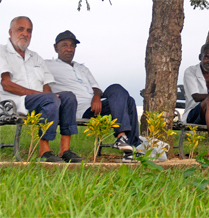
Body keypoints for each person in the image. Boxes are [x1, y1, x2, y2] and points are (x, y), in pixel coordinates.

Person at [44, 30, 140, 163]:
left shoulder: (81, 67)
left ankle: (124, 141)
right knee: (129, 101)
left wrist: (96, 97)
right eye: (64, 45)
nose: (69, 49)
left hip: (96, 104)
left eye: (72, 46)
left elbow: (96, 88)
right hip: (80, 109)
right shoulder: (47, 65)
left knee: (119, 91)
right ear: (56, 47)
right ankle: (130, 142)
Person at [0, 17, 83, 163]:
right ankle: (44, 151)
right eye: (21, 29)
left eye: (29, 31)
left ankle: (65, 150)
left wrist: (47, 95)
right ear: (10, 31)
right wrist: (43, 96)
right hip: (13, 101)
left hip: (38, 100)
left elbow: (47, 84)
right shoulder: (2, 52)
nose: (25, 34)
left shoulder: (35, 57)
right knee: (50, 98)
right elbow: (6, 84)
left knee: (69, 96)